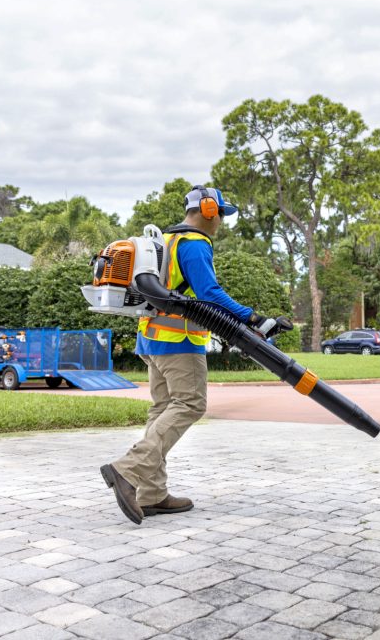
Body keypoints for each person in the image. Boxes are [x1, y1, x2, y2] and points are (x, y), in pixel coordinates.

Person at [100, 185, 277, 525]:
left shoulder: (166, 240)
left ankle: (151, 494)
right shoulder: (194, 244)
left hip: (151, 338)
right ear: (208, 210)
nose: (221, 221)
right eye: (221, 214)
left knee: (163, 409)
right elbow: (209, 293)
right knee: (190, 403)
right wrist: (252, 317)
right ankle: (128, 470)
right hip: (179, 340)